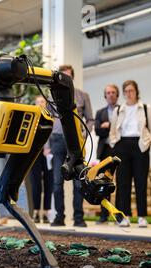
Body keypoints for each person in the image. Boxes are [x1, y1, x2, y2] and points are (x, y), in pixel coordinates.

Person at [50, 65, 94, 228]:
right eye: (62, 76)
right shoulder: (52, 95)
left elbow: (90, 119)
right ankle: (59, 217)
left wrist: (83, 134)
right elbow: (48, 118)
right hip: (57, 140)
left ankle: (78, 217)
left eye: (68, 77)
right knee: (56, 181)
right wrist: (47, 144)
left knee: (78, 180)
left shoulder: (83, 96)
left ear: (72, 79)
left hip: (77, 142)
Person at [109, 80, 151, 228]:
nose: (129, 94)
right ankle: (125, 216)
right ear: (123, 93)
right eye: (126, 91)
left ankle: (142, 216)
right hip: (122, 145)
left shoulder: (144, 108)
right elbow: (113, 130)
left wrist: (148, 142)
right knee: (123, 183)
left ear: (136, 92)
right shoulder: (119, 109)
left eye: (131, 91)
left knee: (141, 181)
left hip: (140, 146)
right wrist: (114, 143)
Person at [94, 84, 119, 224]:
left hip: (119, 149)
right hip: (105, 150)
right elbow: (98, 131)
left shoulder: (122, 110)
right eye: (108, 92)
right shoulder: (100, 112)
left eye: (113, 92)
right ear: (105, 95)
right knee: (103, 183)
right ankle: (104, 215)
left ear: (117, 95)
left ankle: (119, 216)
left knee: (121, 182)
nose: (110, 94)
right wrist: (109, 126)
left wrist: (107, 125)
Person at [29, 96, 53, 224]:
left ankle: (46, 211)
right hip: (35, 154)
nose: (40, 104)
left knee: (49, 184)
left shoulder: (51, 118)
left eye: (42, 101)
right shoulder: (32, 118)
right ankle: (36, 211)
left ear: (46, 104)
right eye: (37, 102)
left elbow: (53, 136)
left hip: (48, 153)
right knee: (36, 183)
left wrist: (49, 149)